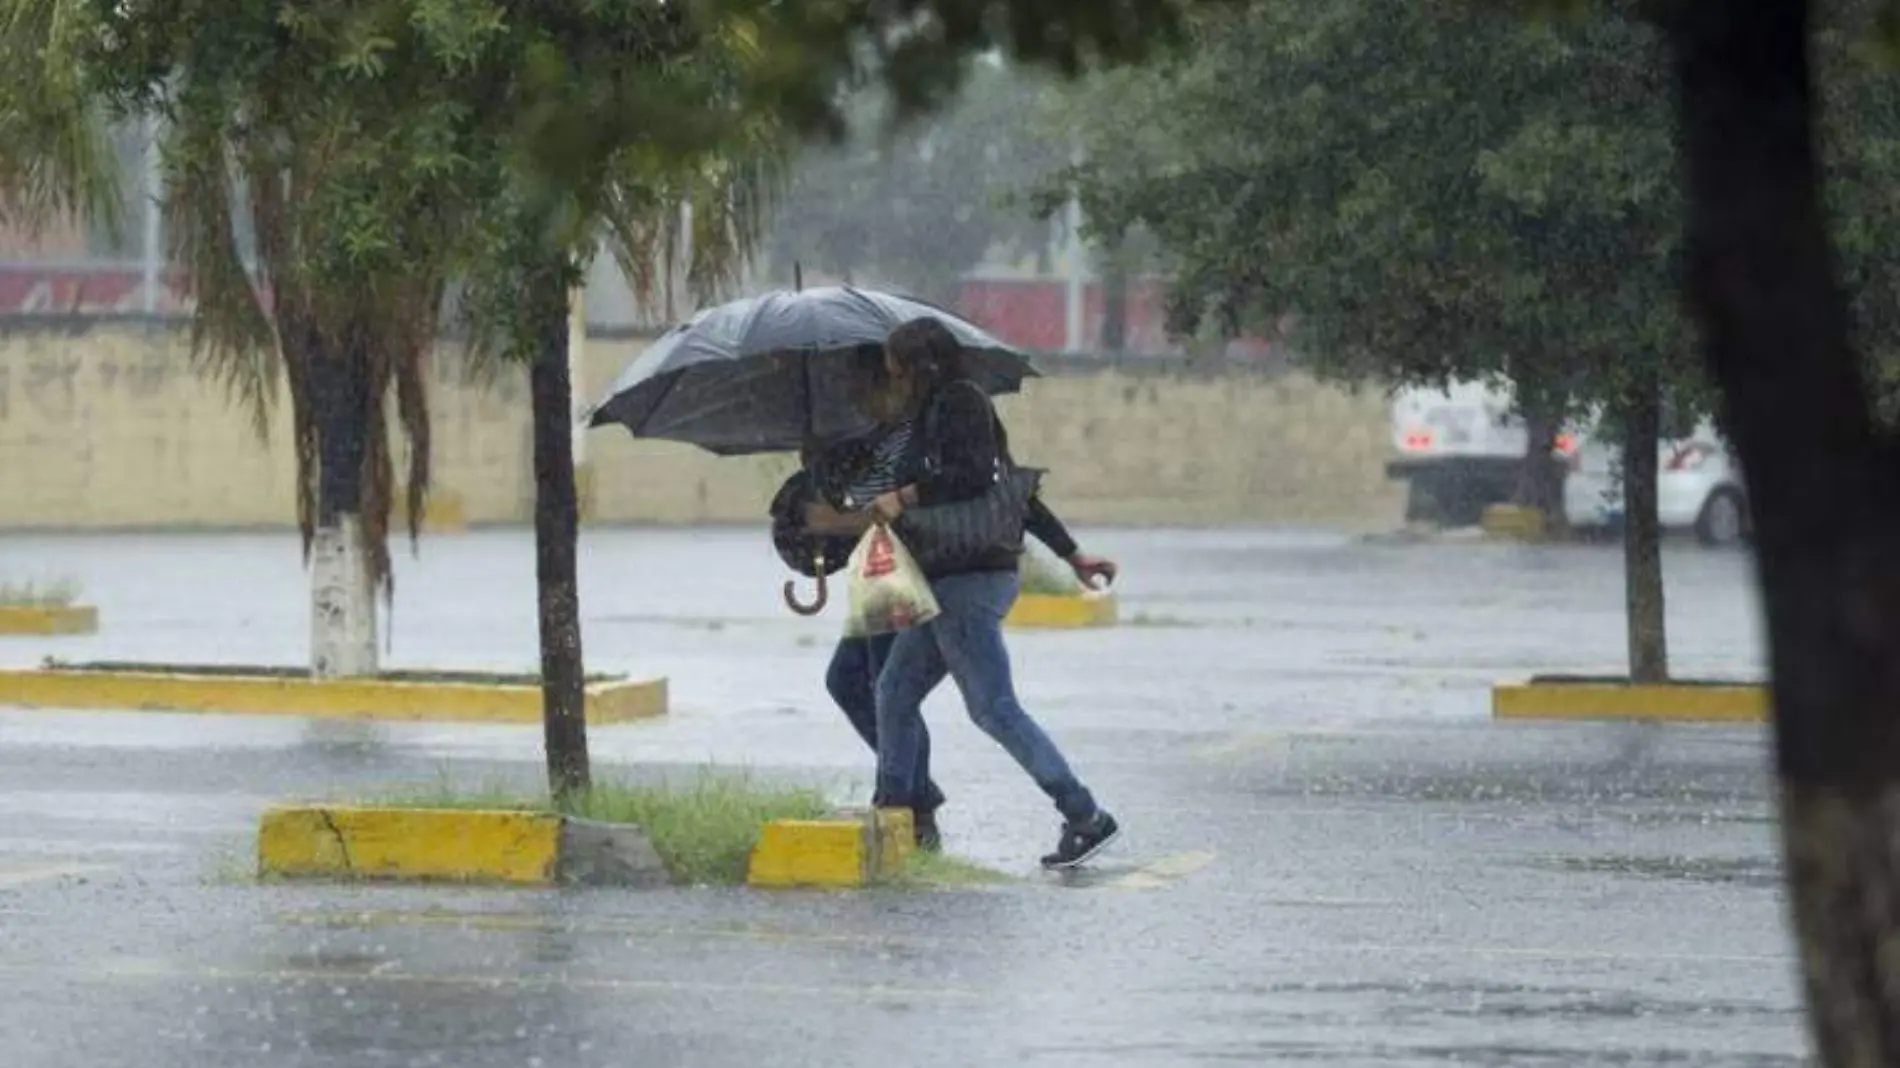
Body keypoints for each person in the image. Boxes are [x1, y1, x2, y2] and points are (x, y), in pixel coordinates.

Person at [785, 347, 1117, 853]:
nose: (892, 382)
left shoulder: (952, 418)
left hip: (967, 583)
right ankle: (898, 815)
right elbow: (1017, 496)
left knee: (993, 709)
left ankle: (1084, 814)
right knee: (893, 692)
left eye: (896, 371)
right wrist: (1074, 555)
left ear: (920, 368)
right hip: (944, 583)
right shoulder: (940, 427)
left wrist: (884, 502)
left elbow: (980, 486)